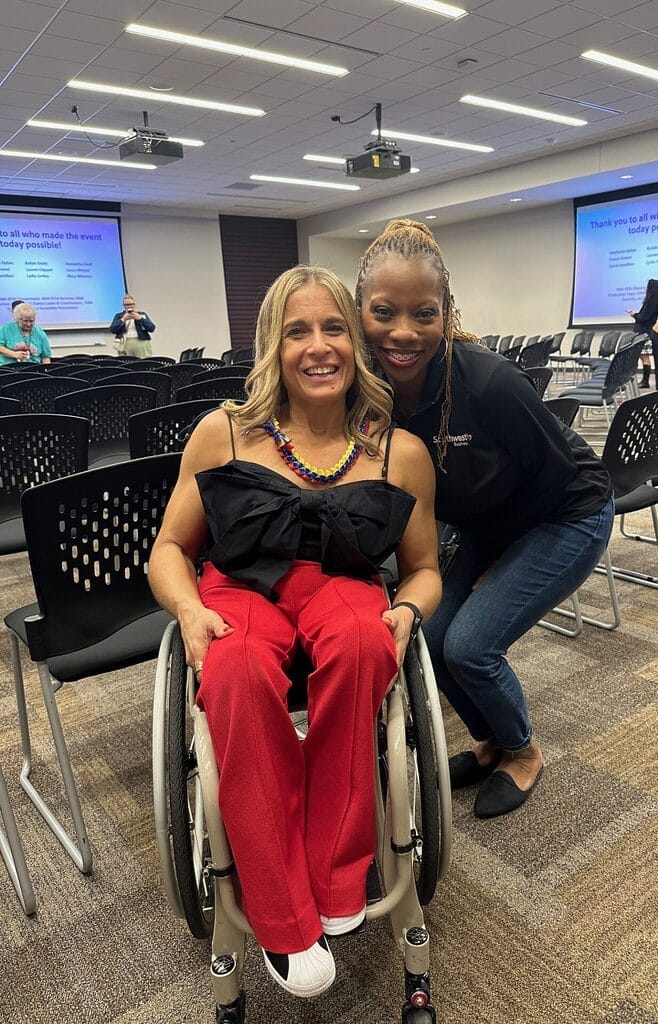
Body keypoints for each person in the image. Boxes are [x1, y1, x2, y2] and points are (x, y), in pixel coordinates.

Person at [148, 266, 440, 999]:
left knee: (367, 643)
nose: (318, 346)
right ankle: (281, 913)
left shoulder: (397, 451)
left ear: (355, 343)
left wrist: (407, 611)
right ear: (271, 347)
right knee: (236, 668)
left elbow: (425, 571)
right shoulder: (223, 433)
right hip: (240, 588)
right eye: (297, 331)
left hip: (341, 585)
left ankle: (336, 871)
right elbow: (169, 550)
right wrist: (188, 610)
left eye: (334, 327)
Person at [356, 219, 614, 821]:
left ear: (446, 312)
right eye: (384, 312)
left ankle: (523, 752)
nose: (403, 332)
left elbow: (556, 478)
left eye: (424, 314)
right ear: (360, 311)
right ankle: (491, 741)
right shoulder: (370, 389)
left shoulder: (491, 383)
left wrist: (497, 560)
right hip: (485, 522)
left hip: (567, 513)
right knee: (429, 637)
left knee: (471, 646)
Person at [628, 278, 658, 388]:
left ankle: (645, 381)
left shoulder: (650, 301)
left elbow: (644, 317)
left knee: (644, 357)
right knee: (644, 356)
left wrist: (635, 315)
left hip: (645, 333)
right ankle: (645, 380)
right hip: (650, 332)